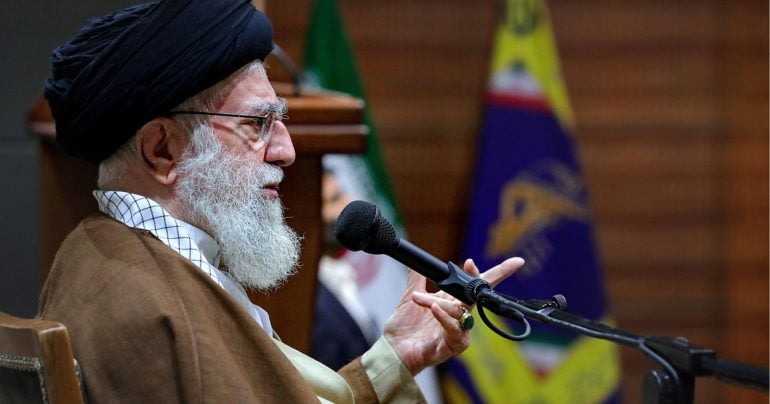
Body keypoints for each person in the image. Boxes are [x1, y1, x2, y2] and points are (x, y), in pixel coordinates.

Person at [37, 1, 524, 402]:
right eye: (257, 124)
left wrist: (395, 356)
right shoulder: (149, 307)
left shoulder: (115, 257)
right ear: (162, 148)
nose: (286, 151)